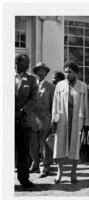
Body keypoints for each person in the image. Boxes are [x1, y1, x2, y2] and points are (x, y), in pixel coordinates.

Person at [51, 61, 89, 184]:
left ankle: (73, 172)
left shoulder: (83, 86)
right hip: (62, 120)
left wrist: (86, 123)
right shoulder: (59, 85)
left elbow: (86, 106)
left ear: (76, 73)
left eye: (70, 72)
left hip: (77, 120)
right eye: (66, 71)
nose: (67, 74)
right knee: (60, 146)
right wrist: (54, 121)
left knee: (75, 147)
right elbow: (55, 104)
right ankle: (60, 172)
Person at [15, 54, 38, 188]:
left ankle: (24, 179)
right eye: (25, 63)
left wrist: (22, 111)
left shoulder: (31, 79)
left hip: (24, 120)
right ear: (16, 63)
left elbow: (34, 99)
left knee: (23, 151)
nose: (27, 65)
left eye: (28, 63)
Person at [29, 62, 55, 178]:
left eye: (43, 71)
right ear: (35, 73)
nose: (41, 73)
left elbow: (54, 105)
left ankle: (45, 167)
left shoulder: (50, 87)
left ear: (46, 73)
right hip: (32, 120)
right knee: (33, 145)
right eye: (38, 71)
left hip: (45, 120)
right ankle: (35, 164)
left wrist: (53, 121)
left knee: (44, 144)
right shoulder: (31, 85)